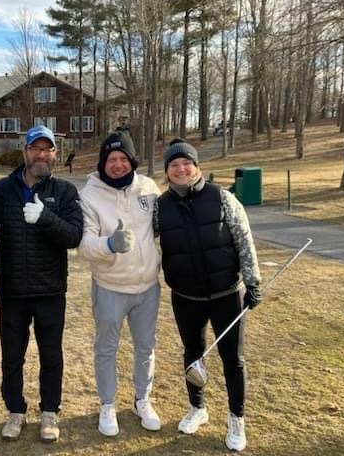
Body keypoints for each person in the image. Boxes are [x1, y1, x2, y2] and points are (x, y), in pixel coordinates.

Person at [153, 138, 261, 452]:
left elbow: (243, 239)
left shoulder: (222, 197)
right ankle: (197, 408)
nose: (181, 169)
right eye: (174, 165)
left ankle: (236, 419)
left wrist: (253, 282)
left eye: (186, 163)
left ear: (197, 166)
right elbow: (142, 241)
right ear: (167, 171)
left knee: (232, 359)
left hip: (226, 293)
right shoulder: (160, 206)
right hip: (185, 296)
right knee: (192, 354)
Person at [0, 125, 83, 443]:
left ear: (55, 154)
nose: (41, 154)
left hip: (50, 290)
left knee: (51, 355)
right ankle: (16, 411)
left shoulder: (65, 191)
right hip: (13, 290)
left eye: (47, 149)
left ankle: (50, 412)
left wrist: (46, 218)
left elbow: (74, 236)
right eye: (35, 148)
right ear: (25, 151)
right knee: (12, 356)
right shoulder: (3, 190)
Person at [77, 131, 162, 437]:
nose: (117, 164)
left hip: (148, 286)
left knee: (145, 347)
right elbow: (84, 245)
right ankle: (107, 404)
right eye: (111, 159)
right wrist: (109, 244)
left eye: (123, 158)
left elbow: (162, 227)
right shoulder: (89, 195)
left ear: (132, 161)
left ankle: (142, 400)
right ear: (103, 163)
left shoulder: (148, 188)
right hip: (110, 286)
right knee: (106, 349)